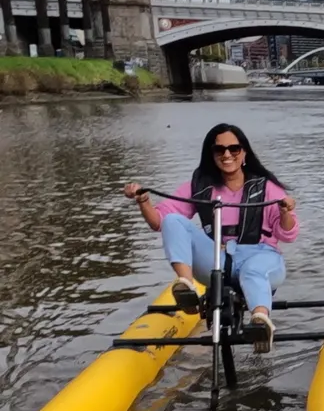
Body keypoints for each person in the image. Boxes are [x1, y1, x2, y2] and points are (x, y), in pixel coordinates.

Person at [124, 123, 298, 353]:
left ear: (244, 153)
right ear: (212, 155)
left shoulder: (267, 187)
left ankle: (260, 321)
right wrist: (143, 201)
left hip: (262, 256)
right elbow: (159, 221)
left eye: (234, 149)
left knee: (253, 271)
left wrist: (285, 212)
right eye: (220, 150)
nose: (227, 155)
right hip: (218, 261)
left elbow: (287, 234)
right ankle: (186, 287)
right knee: (173, 221)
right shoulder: (198, 186)